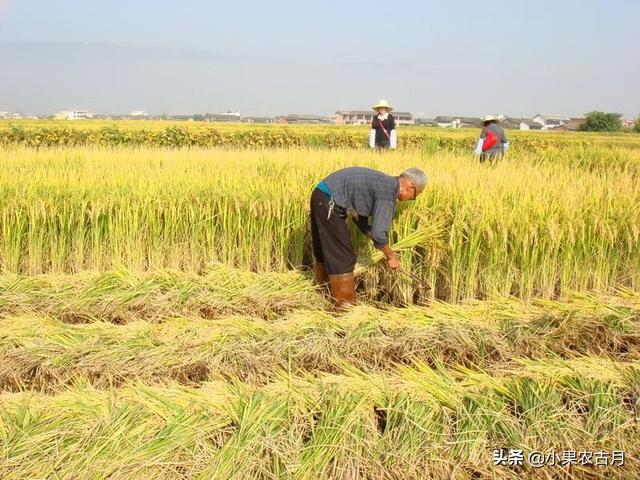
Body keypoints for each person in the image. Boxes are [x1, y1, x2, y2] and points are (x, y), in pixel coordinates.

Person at [310, 167, 428, 308]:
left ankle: (321, 294)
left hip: (321, 196)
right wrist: (391, 256)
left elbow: (357, 216)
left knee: (326, 251)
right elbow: (379, 233)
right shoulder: (388, 193)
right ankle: (345, 308)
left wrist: (369, 234)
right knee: (343, 257)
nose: (411, 199)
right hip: (329, 201)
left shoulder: (384, 184)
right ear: (410, 187)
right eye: (414, 196)